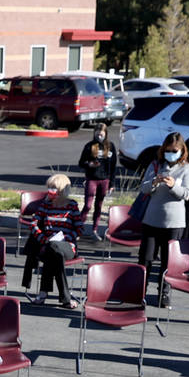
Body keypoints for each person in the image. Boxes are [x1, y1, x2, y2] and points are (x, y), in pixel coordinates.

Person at [136, 132, 189, 308]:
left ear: (182, 150)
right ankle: (140, 291)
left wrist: (173, 185)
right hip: (152, 219)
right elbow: (143, 188)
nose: (171, 154)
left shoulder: (187, 169)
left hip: (174, 222)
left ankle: (164, 292)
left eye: (174, 151)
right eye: (168, 150)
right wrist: (154, 182)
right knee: (145, 258)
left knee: (168, 261)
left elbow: (186, 194)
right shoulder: (155, 165)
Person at [21, 173, 84, 309]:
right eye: (49, 187)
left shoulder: (72, 205)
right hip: (48, 246)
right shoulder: (46, 205)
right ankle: (65, 299)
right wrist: (43, 239)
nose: (50, 191)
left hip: (67, 246)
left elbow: (79, 229)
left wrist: (64, 238)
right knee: (54, 253)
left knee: (55, 248)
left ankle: (43, 293)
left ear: (62, 190)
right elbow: (34, 224)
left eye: (53, 188)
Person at [78, 122, 118, 240]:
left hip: (104, 180)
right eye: (97, 133)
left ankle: (94, 230)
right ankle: (78, 229)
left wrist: (112, 183)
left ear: (105, 134)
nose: (99, 136)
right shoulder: (89, 146)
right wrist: (89, 164)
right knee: (88, 205)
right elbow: (81, 162)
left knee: (99, 206)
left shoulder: (110, 146)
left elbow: (114, 166)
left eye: (101, 134)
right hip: (92, 179)